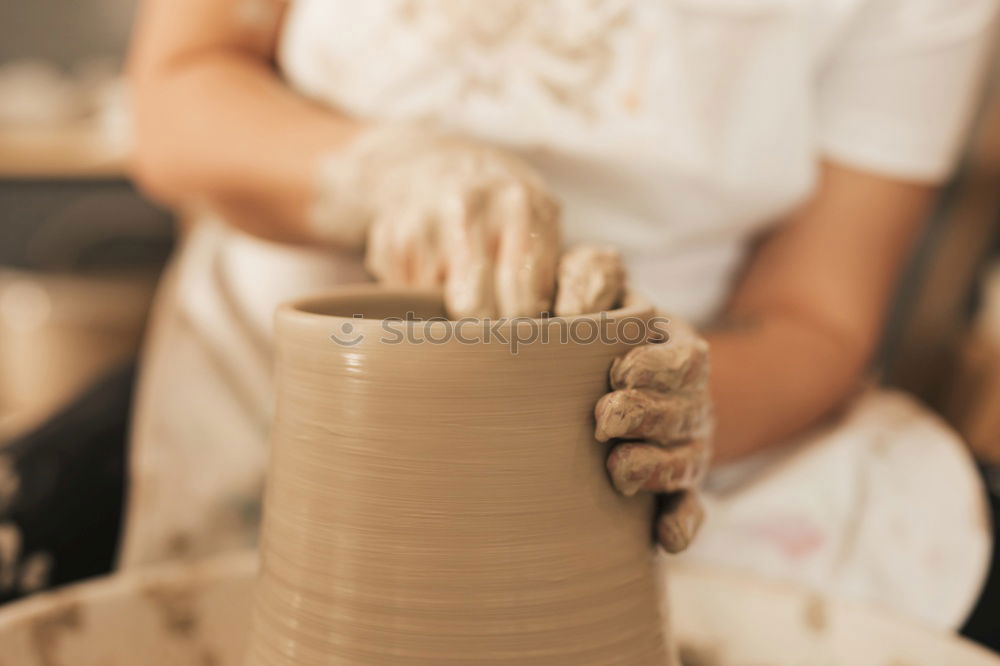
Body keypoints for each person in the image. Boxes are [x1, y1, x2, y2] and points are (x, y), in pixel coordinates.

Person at [123, 0, 998, 631]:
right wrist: (378, 169)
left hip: (652, 412)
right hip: (300, 397)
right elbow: (174, 95)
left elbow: (818, 315)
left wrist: (685, 409)